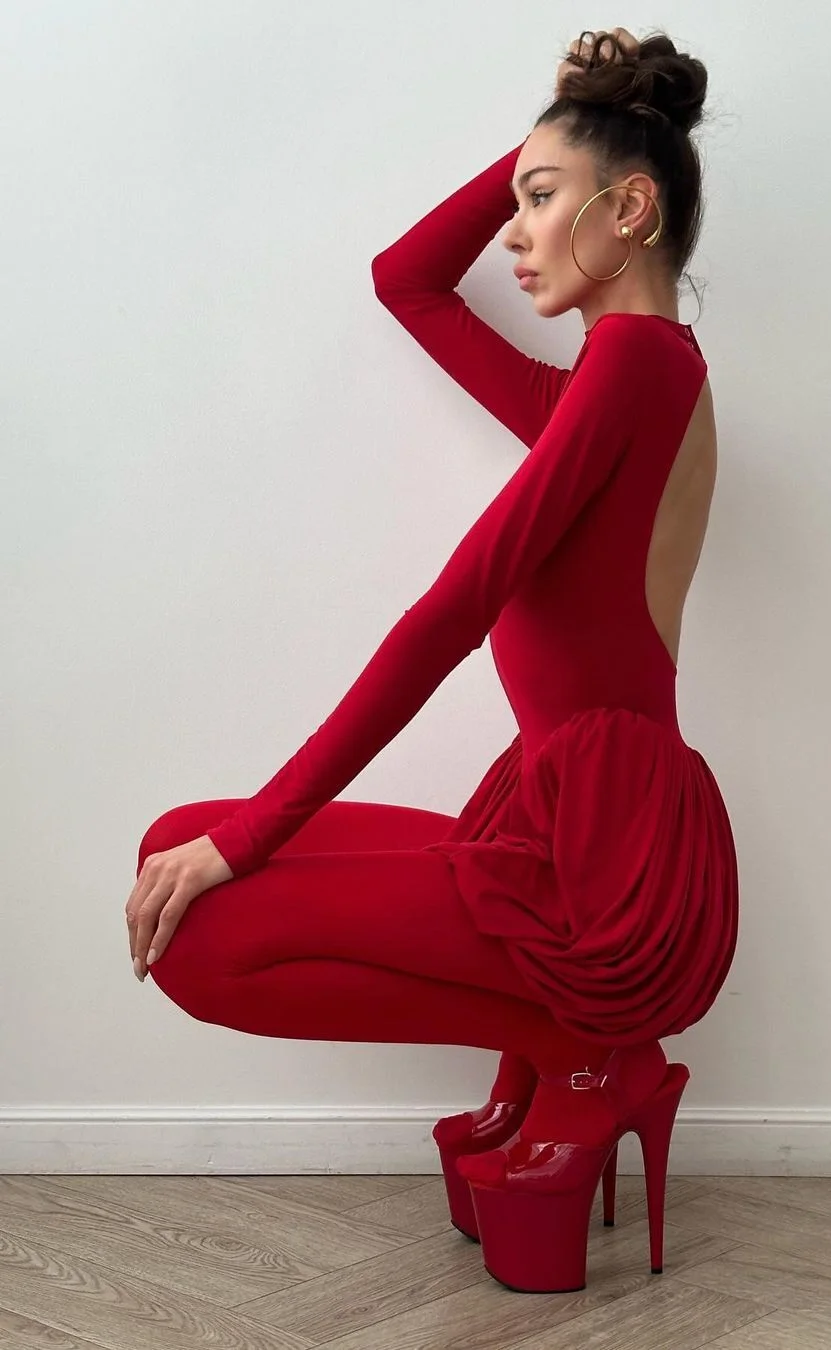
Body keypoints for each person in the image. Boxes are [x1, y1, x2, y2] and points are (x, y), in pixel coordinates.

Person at [125, 27, 738, 1294]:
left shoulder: (632, 367)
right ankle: (583, 1058)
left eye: (540, 200)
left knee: (198, 931)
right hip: (567, 808)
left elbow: (448, 615)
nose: (515, 234)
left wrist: (254, 835)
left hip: (599, 848)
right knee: (173, 840)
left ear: (631, 210)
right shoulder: (615, 385)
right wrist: (561, 132)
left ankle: (583, 1057)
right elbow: (406, 280)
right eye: (517, 200)